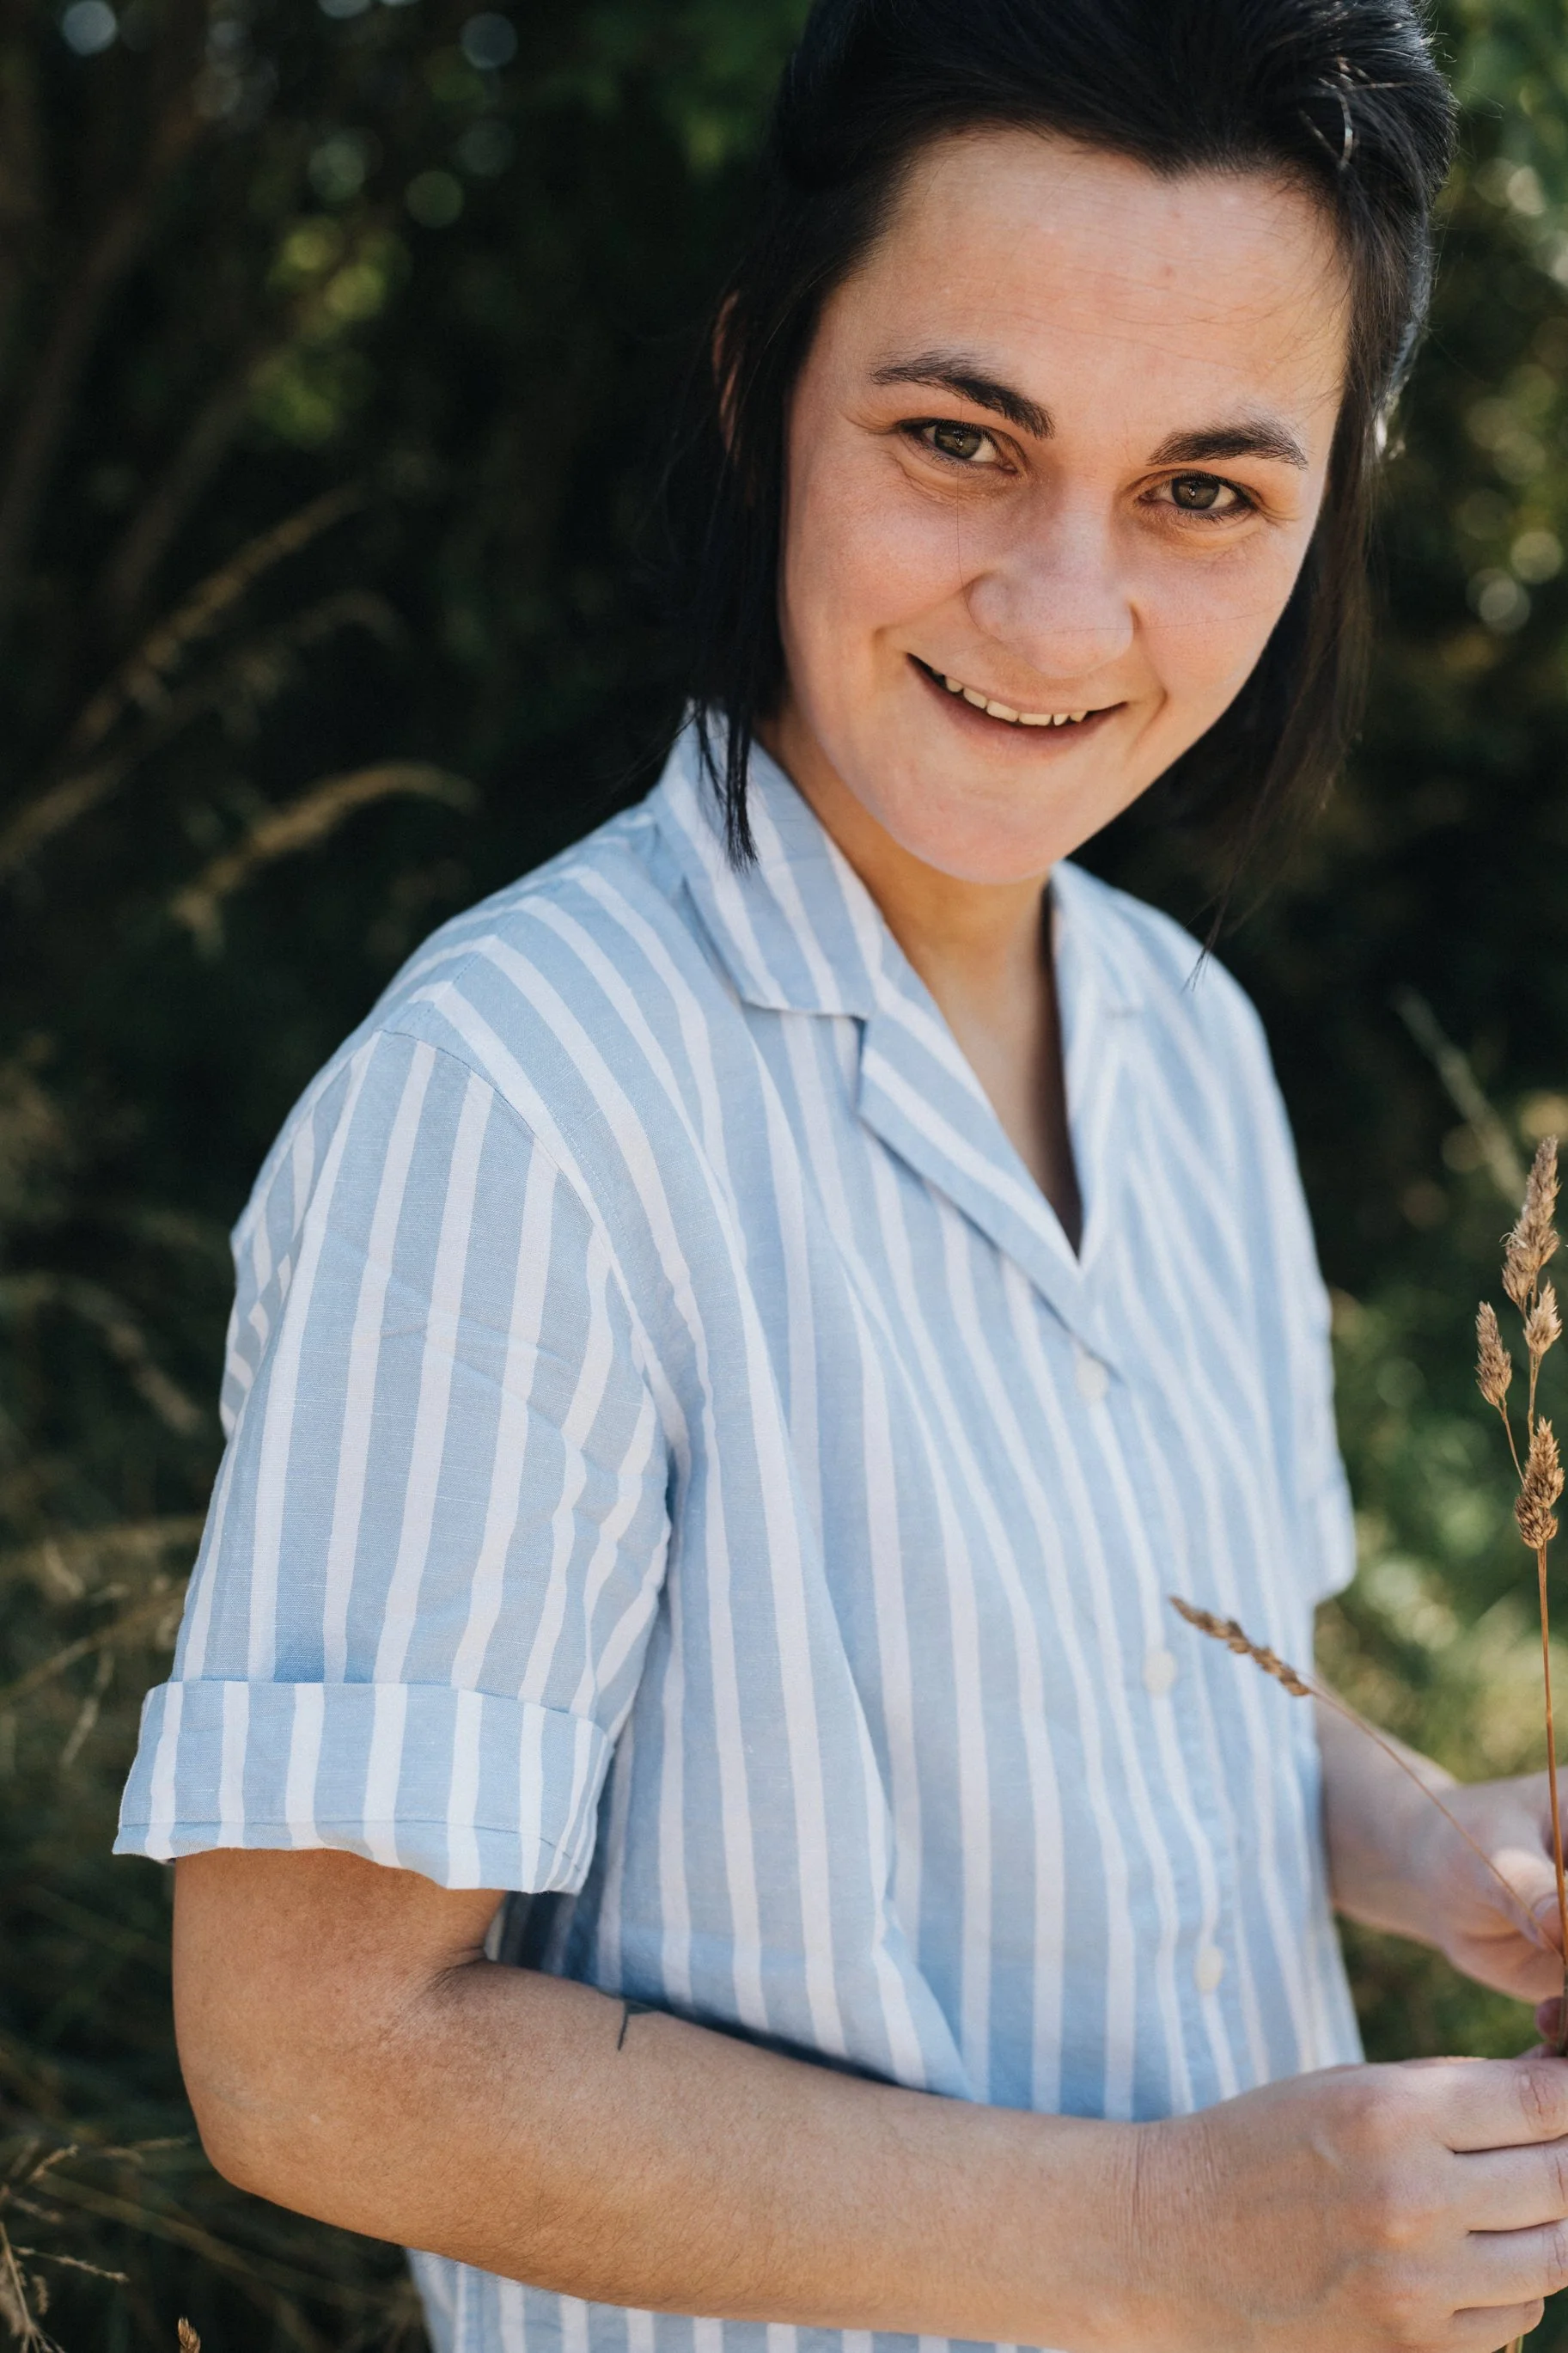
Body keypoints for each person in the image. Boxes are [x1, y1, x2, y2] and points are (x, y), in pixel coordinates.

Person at [113, 3, 1568, 2347]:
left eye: (1208, 488)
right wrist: (1166, 2244)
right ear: (757, 392)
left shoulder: (1192, 1046)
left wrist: (1428, 1841)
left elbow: (1175, 1679)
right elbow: (311, 2064)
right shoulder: (520, 1103)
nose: (1063, 610)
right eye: (958, 436)